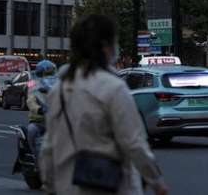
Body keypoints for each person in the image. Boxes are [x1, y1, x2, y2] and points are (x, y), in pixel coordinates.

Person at [40, 15, 168, 195]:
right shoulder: (114, 88)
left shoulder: (59, 90)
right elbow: (134, 143)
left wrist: (49, 184)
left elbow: (48, 147)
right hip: (110, 186)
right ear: (106, 47)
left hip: (67, 186)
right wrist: (156, 181)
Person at [26, 59, 57, 157]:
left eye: (50, 73)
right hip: (38, 120)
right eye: (46, 74)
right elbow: (30, 99)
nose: (48, 76)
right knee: (31, 131)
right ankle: (35, 156)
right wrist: (38, 109)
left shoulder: (58, 85)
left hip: (55, 121)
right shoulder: (33, 84)